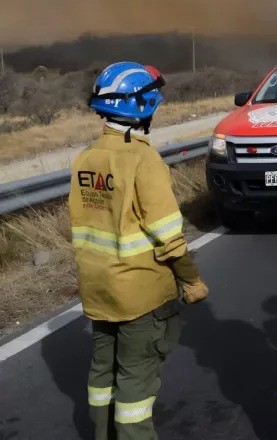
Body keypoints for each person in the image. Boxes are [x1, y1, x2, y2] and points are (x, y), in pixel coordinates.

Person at [70, 62, 209, 440]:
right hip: (140, 295)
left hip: (98, 290)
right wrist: (191, 280)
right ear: (143, 105)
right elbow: (168, 236)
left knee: (102, 371)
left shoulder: (86, 158)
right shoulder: (143, 160)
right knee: (135, 382)